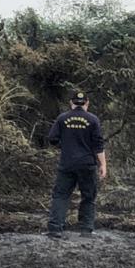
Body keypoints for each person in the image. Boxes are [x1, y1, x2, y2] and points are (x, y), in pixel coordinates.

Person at [45, 91, 108, 237]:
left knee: (61, 195)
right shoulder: (93, 120)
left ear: (71, 103)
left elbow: (52, 138)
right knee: (88, 196)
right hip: (87, 164)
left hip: (67, 163)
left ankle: (55, 229)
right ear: (87, 103)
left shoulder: (62, 118)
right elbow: (98, 145)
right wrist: (103, 165)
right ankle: (86, 229)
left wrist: (64, 145)